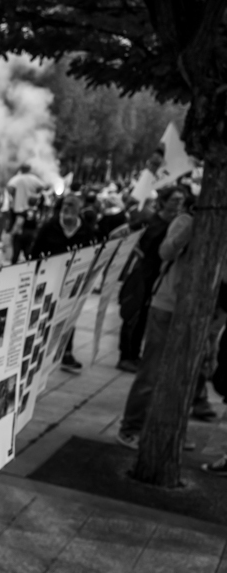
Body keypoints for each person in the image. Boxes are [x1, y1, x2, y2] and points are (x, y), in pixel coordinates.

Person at [116, 189, 214, 448]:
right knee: (152, 372)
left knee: (185, 374)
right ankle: (131, 427)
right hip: (167, 305)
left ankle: (171, 431)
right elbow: (165, 253)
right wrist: (190, 228)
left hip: (198, 310)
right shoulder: (184, 222)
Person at [118, 185, 186, 372]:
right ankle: (125, 356)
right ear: (163, 202)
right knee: (133, 313)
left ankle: (135, 355)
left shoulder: (179, 225)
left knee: (146, 316)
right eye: (174, 199)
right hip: (142, 273)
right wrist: (134, 251)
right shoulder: (149, 221)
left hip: (160, 276)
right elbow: (122, 234)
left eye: (181, 200)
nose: (178, 204)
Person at [30, 194, 99, 372]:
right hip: (49, 279)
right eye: (65, 205)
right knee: (43, 316)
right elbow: (35, 253)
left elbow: (92, 255)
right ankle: (35, 354)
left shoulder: (86, 230)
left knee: (69, 316)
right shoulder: (49, 227)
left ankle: (65, 353)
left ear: (79, 209)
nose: (67, 208)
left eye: (72, 205)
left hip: (73, 281)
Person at [6, 164, 49, 262]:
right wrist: (35, 193)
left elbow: (10, 188)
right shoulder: (33, 179)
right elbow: (43, 186)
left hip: (19, 208)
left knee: (18, 237)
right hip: (31, 212)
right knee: (28, 244)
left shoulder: (17, 179)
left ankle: (15, 259)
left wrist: (14, 196)